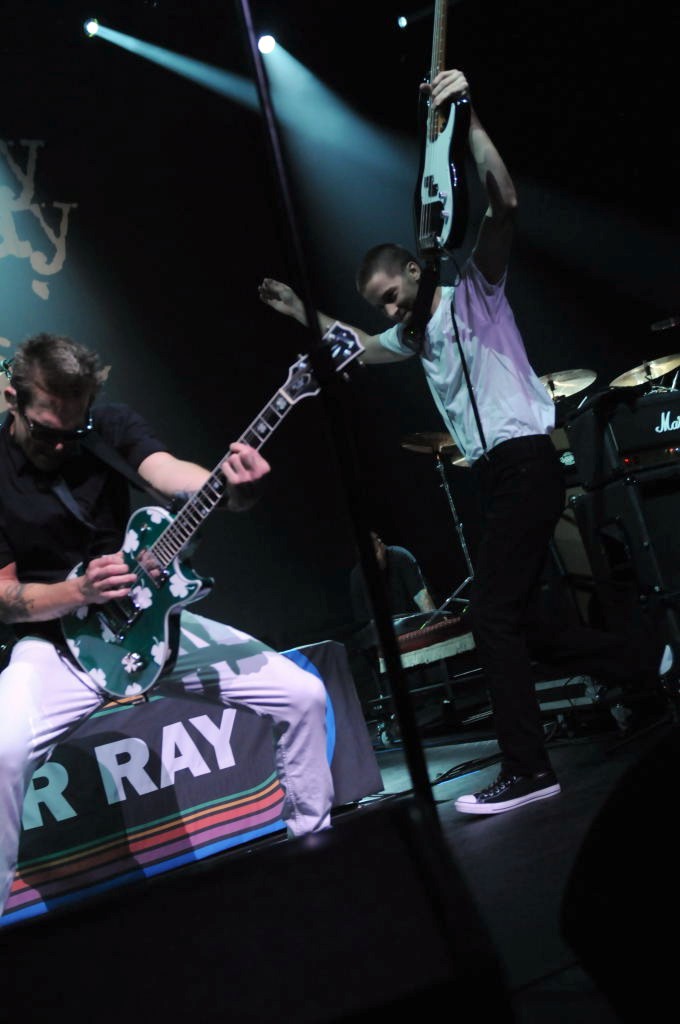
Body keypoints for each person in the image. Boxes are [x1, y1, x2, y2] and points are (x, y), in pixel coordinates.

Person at [259, 68, 656, 815]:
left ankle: (528, 769)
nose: (389, 311)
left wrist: (466, 119)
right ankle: (642, 663)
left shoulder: (476, 285)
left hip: (528, 460)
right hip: (497, 476)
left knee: (493, 618)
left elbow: (505, 202)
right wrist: (301, 312)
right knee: (521, 619)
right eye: (380, 306)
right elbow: (359, 348)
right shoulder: (416, 334)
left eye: (391, 296)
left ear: (414, 269)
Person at [0, 332, 334, 914]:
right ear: (13, 398)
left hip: (148, 621)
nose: (61, 444)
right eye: (47, 430)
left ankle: (317, 851)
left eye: (73, 431)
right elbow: (5, 598)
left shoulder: (109, 426)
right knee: (3, 753)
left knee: (302, 695)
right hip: (56, 643)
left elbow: (174, 474)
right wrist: (76, 591)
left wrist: (232, 490)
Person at [350, 530, 437, 630]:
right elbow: (364, 620)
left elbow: (422, 598)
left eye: (375, 552)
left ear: (381, 544)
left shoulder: (400, 556)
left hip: (417, 624)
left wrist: (434, 625)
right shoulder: (357, 576)